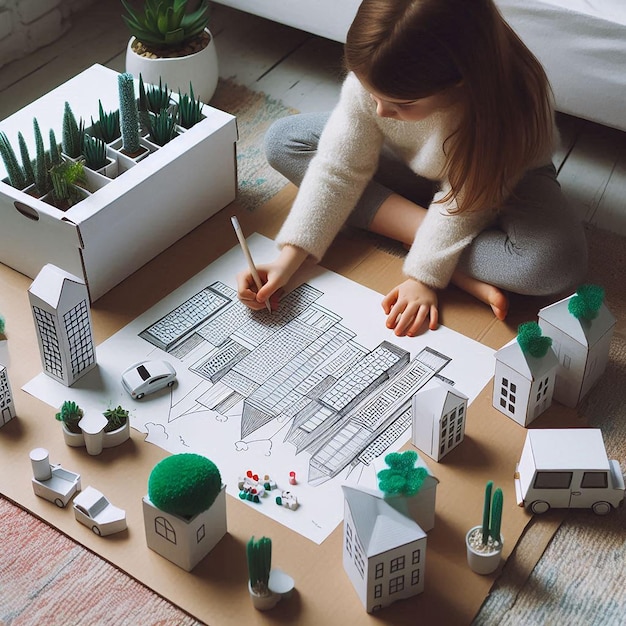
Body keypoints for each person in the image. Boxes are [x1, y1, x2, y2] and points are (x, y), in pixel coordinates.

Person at [235, 0, 588, 336]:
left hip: (501, 181)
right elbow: (338, 167)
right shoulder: (381, 76)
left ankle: (423, 240)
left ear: (458, 85)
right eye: (371, 95)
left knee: (552, 263)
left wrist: (425, 275)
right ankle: (434, 244)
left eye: (401, 104)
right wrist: (290, 257)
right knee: (284, 140)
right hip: (415, 165)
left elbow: (462, 206)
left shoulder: (513, 108)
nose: (380, 112)